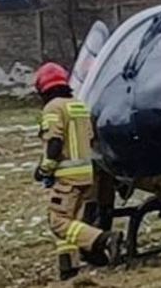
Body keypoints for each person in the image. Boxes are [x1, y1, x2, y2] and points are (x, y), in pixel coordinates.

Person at [32, 62, 122, 279]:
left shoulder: (53, 108)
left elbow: (54, 142)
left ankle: (104, 240)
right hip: (86, 174)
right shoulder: (79, 105)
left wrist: (44, 169)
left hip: (66, 176)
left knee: (58, 220)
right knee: (73, 220)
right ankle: (68, 267)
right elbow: (91, 139)